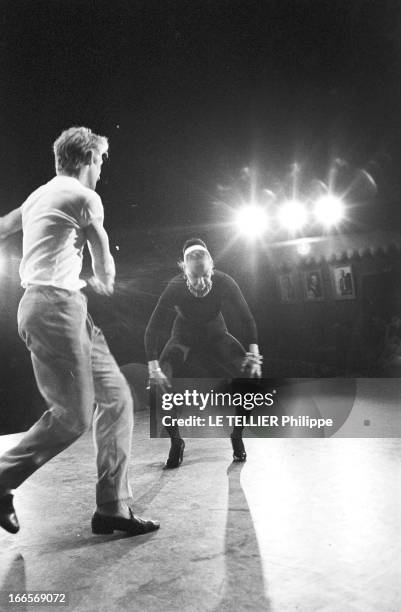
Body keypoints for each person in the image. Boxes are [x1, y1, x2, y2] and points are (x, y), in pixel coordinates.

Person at [0, 126, 159, 536]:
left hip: (66, 307)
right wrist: (106, 272)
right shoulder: (85, 196)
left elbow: (4, 226)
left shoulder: (38, 195)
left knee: (118, 400)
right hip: (55, 309)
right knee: (72, 418)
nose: (102, 169)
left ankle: (112, 508)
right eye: (101, 160)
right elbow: (99, 245)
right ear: (87, 159)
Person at [145, 238, 263, 467]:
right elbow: (152, 329)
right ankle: (176, 442)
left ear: (211, 268)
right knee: (158, 389)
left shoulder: (224, 281)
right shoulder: (176, 286)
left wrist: (254, 355)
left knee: (251, 381)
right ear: (185, 271)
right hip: (183, 340)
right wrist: (154, 368)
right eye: (193, 276)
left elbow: (247, 319)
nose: (200, 284)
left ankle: (237, 435)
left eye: (204, 274)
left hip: (216, 336)